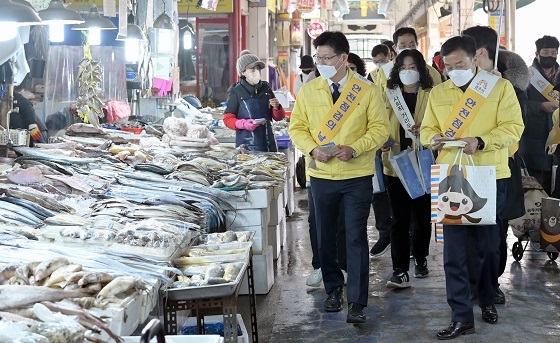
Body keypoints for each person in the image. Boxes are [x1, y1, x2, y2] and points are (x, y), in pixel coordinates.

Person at [420, 35, 523, 340]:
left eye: (459, 64)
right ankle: (461, 315)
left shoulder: (499, 87)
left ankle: (488, 298)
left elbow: (513, 127)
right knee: (454, 251)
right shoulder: (439, 93)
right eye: (448, 66)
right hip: (452, 175)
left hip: (490, 174)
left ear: (475, 58)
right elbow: (427, 129)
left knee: (489, 247)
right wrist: (433, 138)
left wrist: (482, 141)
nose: (454, 70)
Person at [289, 31, 389, 324]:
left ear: (344, 58)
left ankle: (358, 301)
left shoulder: (366, 90)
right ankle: (333, 288)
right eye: (318, 58)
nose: (321, 63)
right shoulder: (309, 90)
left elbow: (380, 129)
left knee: (356, 237)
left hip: (356, 175)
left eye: (327, 58)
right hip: (321, 176)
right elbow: (297, 128)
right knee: (325, 235)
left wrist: (355, 148)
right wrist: (311, 148)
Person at [462, 25, 531, 305]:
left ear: (478, 53)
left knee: (495, 231)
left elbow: (516, 127)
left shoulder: (509, 85)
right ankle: (470, 283)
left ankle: (491, 284)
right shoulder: (459, 83)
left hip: (501, 168)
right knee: (465, 227)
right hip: (463, 168)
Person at [381, 49, 434, 288]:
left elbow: (443, 121)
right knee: (399, 219)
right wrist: (381, 139)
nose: (407, 72)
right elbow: (378, 122)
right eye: (403, 68)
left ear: (421, 69)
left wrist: (428, 127)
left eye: (412, 67)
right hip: (397, 164)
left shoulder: (432, 94)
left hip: (424, 163)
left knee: (422, 217)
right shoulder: (388, 95)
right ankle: (399, 269)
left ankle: (421, 257)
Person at [519, 35, 560, 194]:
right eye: (545, 52)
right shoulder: (526, 76)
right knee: (535, 188)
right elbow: (519, 105)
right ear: (537, 54)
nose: (549, 56)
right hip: (533, 140)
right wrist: (540, 106)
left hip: (557, 140)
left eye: (553, 52)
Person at [222, 52, 285, 152]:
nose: (256, 71)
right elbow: (227, 119)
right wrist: (243, 124)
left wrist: (277, 108)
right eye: (252, 68)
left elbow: (278, 117)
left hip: (269, 144)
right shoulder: (236, 91)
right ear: (243, 72)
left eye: (258, 68)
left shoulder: (266, 87)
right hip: (246, 148)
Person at [376, 28, 443, 91]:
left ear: (417, 44)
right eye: (403, 46)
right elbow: (379, 99)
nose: (407, 49)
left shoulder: (431, 72)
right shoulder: (384, 72)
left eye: (411, 45)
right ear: (395, 48)